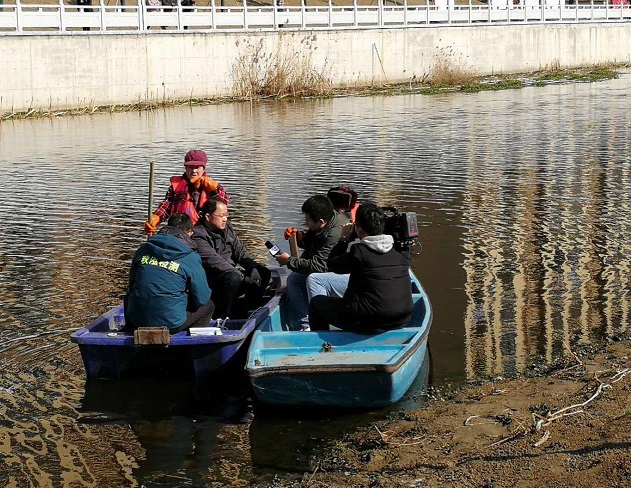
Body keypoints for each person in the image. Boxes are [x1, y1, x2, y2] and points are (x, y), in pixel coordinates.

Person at [308, 203, 414, 332]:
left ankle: (324, 344)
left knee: (316, 303)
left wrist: (343, 240)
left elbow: (332, 265)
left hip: (366, 320)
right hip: (402, 318)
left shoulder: (359, 252)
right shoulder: (402, 249)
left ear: (360, 230)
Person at [126, 213, 214, 334]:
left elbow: (132, 286)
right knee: (208, 306)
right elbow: (202, 298)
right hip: (170, 324)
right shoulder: (190, 257)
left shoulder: (143, 249)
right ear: (189, 233)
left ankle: (129, 333)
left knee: (129, 297)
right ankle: (193, 345)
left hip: (136, 320)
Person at [275, 194, 350, 329]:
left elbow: (318, 266)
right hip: (330, 267)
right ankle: (306, 324)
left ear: (321, 221)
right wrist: (299, 237)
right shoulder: (327, 220)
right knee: (294, 279)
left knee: (313, 279)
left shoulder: (335, 233)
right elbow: (313, 240)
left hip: (345, 276)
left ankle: (318, 325)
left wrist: (288, 261)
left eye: (308, 220)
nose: (306, 223)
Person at [193, 198, 271, 319]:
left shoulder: (227, 228)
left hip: (233, 275)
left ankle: (248, 309)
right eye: (221, 216)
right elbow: (215, 262)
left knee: (263, 272)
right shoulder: (198, 235)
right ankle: (223, 316)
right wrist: (243, 277)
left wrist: (253, 267)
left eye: (226, 215)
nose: (225, 219)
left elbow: (240, 252)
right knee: (233, 277)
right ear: (208, 217)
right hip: (213, 281)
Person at [144, 149, 230, 235]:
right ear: (186, 168)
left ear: (203, 169)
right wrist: (155, 218)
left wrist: (216, 188)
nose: (194, 171)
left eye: (197, 167)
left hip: (204, 232)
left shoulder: (211, 187)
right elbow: (167, 205)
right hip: (180, 229)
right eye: (190, 167)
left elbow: (224, 201)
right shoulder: (176, 186)